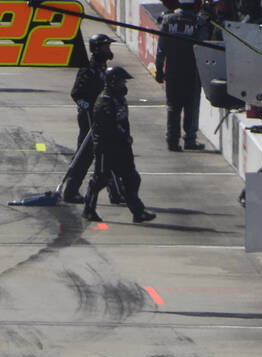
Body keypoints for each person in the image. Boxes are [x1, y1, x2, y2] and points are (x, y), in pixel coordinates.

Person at [83, 67, 157, 225]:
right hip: (107, 147)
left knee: (132, 178)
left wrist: (126, 138)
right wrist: (119, 138)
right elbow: (107, 127)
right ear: (112, 82)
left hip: (122, 146)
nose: (124, 85)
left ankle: (138, 212)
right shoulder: (104, 101)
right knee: (100, 179)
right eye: (122, 81)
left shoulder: (119, 98)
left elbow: (122, 122)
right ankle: (89, 210)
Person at [62, 34, 118, 204]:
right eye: (106, 47)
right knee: (85, 155)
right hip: (88, 117)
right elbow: (75, 94)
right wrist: (88, 109)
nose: (109, 50)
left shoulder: (103, 67)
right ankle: (70, 192)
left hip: (100, 116)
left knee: (108, 153)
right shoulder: (89, 68)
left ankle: (115, 193)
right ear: (97, 49)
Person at [155, 0, 209, 151]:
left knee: (173, 107)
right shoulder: (199, 22)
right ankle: (190, 140)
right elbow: (203, 46)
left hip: (172, 71)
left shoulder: (168, 19)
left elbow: (161, 48)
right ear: (194, 5)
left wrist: (159, 69)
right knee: (191, 107)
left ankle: (172, 141)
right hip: (191, 71)